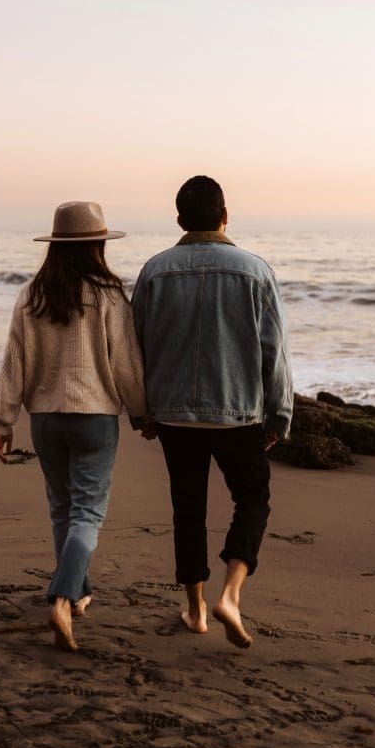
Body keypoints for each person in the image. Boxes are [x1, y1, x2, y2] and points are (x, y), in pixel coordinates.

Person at [132, 176, 293, 648]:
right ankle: (232, 593)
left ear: (180, 219)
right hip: (238, 411)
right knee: (253, 498)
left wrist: (142, 413)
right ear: (226, 215)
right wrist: (279, 414)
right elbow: (274, 351)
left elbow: (135, 349)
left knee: (188, 507)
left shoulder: (155, 271)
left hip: (174, 415)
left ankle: (197, 611)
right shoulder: (255, 270)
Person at [0, 201, 152, 652]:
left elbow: (13, 362)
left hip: (45, 418)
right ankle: (62, 599)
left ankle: (77, 591)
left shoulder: (31, 296)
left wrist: (5, 420)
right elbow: (127, 365)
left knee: (62, 509)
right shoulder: (109, 295)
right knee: (88, 513)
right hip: (95, 418)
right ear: (98, 246)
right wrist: (141, 413)